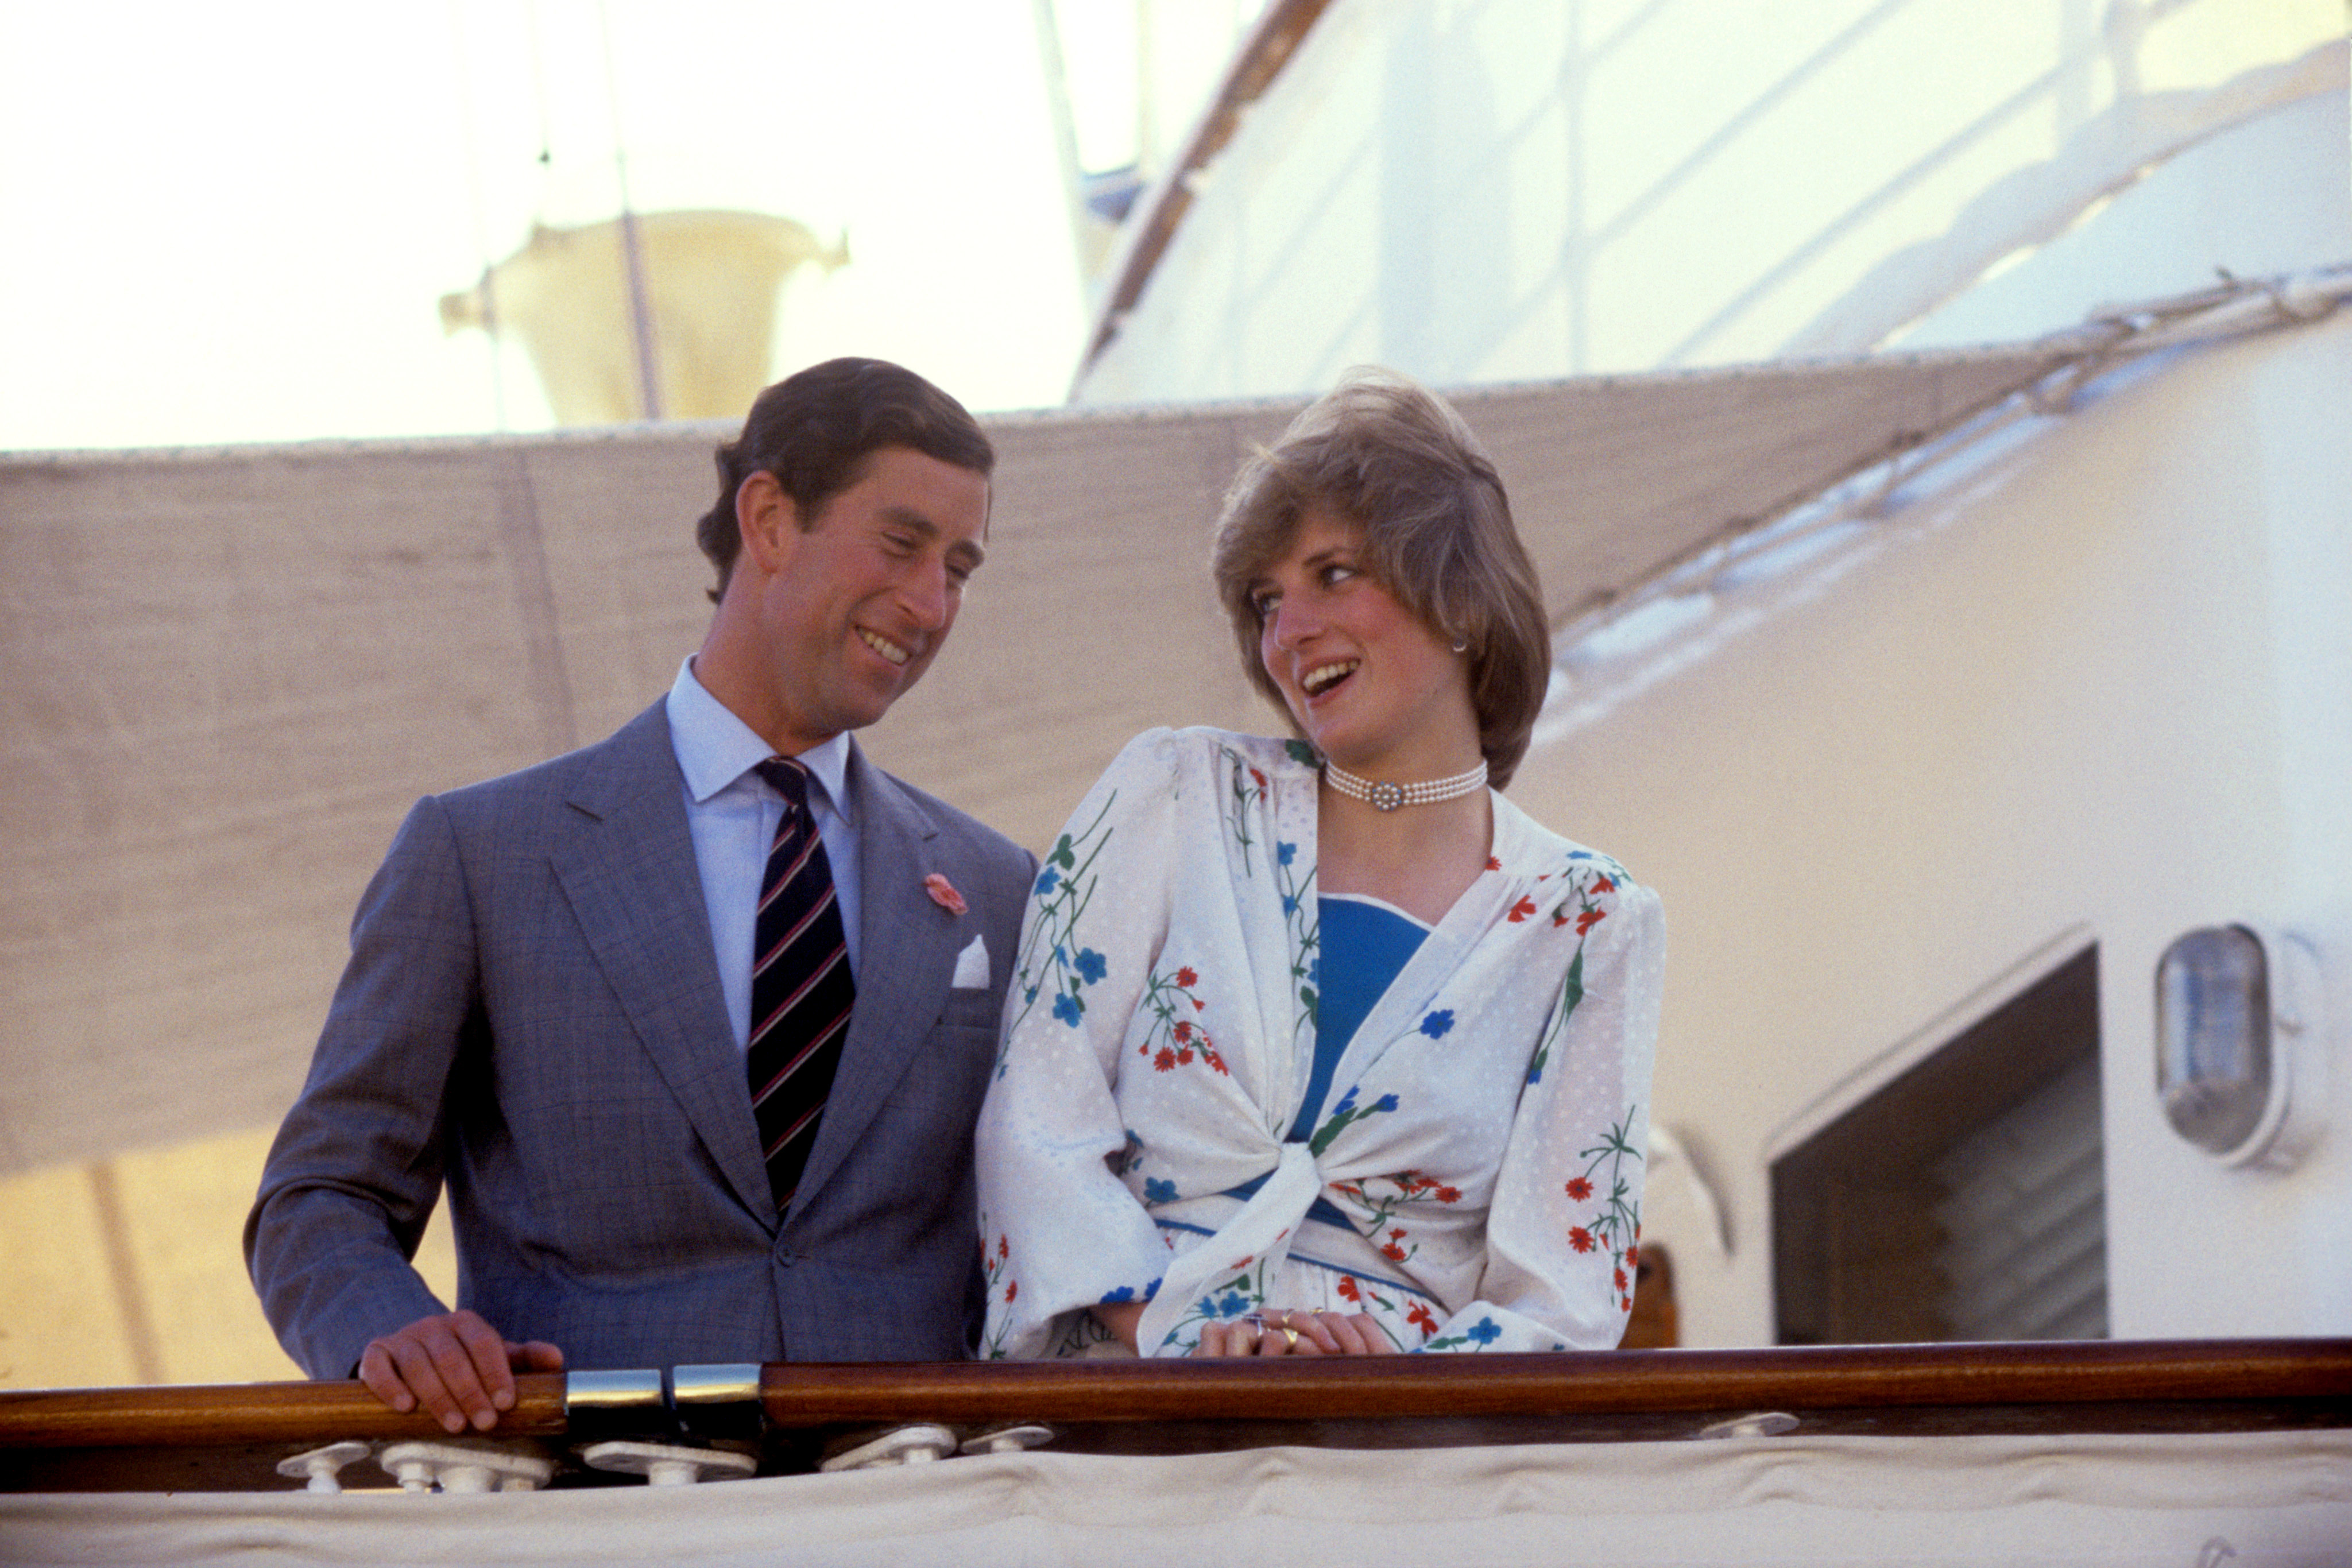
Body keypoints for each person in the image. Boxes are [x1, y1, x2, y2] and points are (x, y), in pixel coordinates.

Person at [247, 357, 1036, 1430]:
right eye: (902, 546)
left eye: (960, 568)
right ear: (768, 517)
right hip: (603, 1511)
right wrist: (393, 1329)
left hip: (919, 1507)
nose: (932, 602)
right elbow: (321, 1198)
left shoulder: (998, 884)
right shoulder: (481, 855)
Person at [973, 369, 1664, 1360]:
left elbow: (1565, 1296)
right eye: (1266, 600)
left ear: (1459, 600)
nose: (1289, 632)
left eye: (1335, 574)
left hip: (1399, 1476)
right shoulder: (1178, 792)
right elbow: (1033, 1126)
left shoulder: (1590, 919)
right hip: (1138, 1425)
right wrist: (1183, 1334)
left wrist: (1395, 1386)